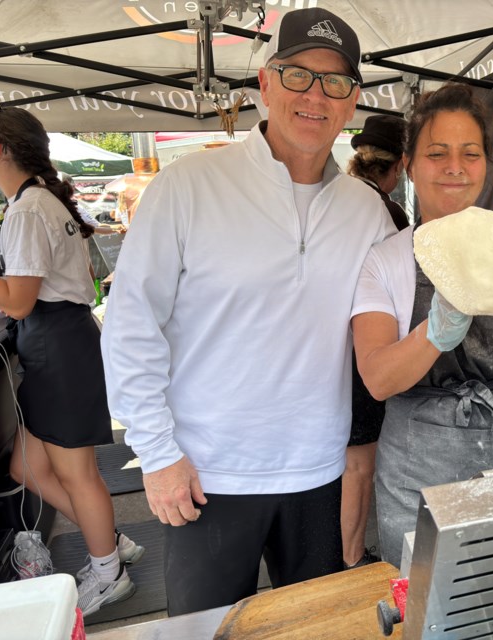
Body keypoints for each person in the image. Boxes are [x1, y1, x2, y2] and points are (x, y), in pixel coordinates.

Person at [100, 7, 396, 616]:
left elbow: (385, 328)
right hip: (207, 475)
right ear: (264, 82)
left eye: (335, 82)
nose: (316, 96)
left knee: (311, 632)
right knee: (205, 633)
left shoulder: (367, 210)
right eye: (298, 76)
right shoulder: (189, 187)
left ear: (352, 102)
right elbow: (132, 326)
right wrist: (156, 456)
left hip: (318, 472)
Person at [350, 83, 493, 566]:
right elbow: (376, 379)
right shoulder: (384, 259)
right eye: (437, 153)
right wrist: (434, 331)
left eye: (470, 153)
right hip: (420, 466)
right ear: (410, 164)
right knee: (425, 601)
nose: (455, 166)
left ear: (485, 164)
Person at [0, 106, 144, 617]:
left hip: (57, 345)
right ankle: (107, 538)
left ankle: (108, 572)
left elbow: (18, 301)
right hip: (59, 342)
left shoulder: (29, 209)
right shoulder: (39, 201)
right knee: (25, 463)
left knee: (77, 472)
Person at [340, 114, 410, 569]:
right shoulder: (385, 211)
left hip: (326, 346)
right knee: (360, 466)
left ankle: (337, 553)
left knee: (345, 463)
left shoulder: (338, 197)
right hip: (362, 347)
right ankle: (349, 560)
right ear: (402, 164)